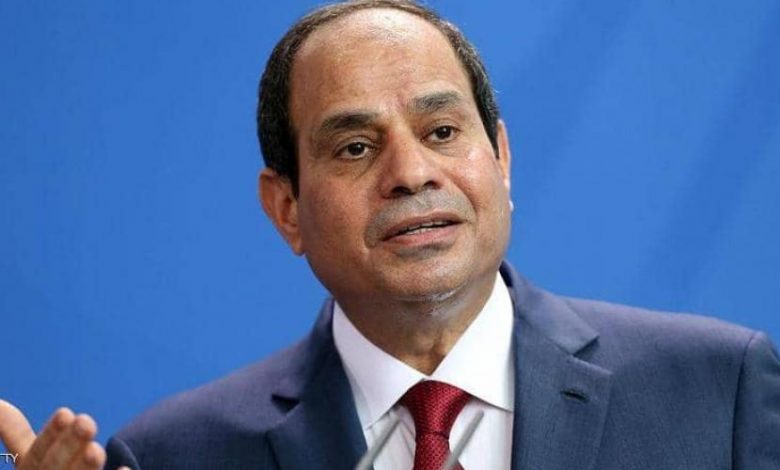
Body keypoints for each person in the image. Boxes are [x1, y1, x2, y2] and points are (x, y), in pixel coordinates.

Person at [1, 0, 779, 468]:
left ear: (501, 159)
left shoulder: (720, 391)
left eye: (442, 131)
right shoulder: (174, 456)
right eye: (354, 147)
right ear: (287, 208)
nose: (410, 173)